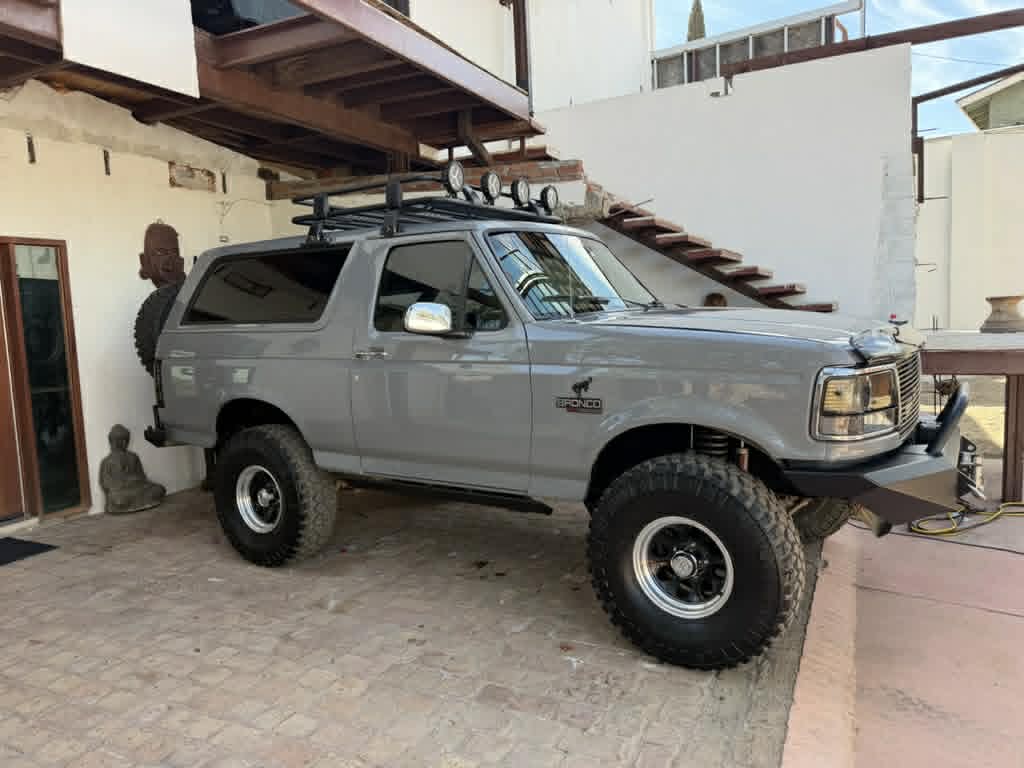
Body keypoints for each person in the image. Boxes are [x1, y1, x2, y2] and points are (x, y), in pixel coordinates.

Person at [99, 424, 166, 514]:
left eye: (126, 440)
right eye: (119, 440)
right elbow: (105, 483)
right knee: (118, 500)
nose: (123, 443)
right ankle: (129, 503)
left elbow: (142, 476)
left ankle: (137, 502)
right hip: (122, 492)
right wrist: (121, 483)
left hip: (138, 488)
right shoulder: (107, 461)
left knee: (159, 489)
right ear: (112, 441)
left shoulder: (133, 457)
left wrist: (135, 479)